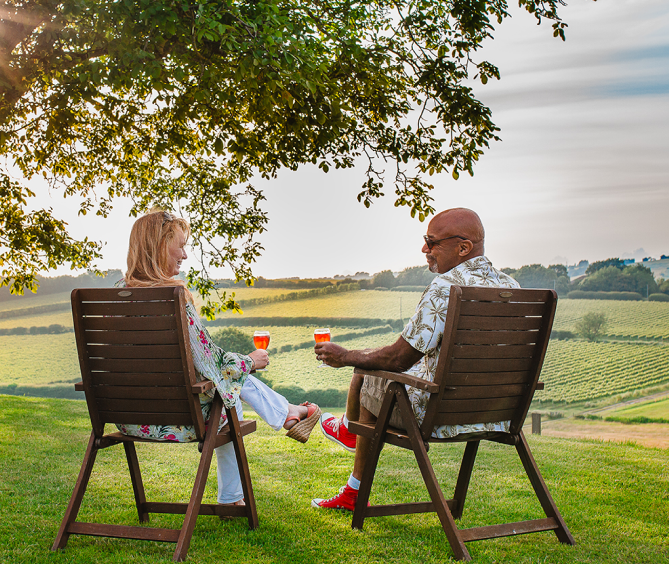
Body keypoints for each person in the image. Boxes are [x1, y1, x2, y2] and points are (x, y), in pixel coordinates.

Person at [311, 207, 519, 510]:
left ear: (463, 248)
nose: (425, 249)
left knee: (369, 370)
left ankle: (350, 434)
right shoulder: (511, 287)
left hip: (440, 415)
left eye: (432, 242)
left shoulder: (446, 287)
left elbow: (398, 359)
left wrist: (344, 356)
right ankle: (348, 436)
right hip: (497, 411)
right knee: (370, 361)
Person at [119, 209, 321, 510]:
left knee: (229, 390)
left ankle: (234, 493)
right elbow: (211, 363)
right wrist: (250, 361)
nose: (185, 255)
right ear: (160, 246)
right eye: (181, 245)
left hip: (129, 418)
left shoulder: (113, 298)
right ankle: (285, 414)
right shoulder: (172, 297)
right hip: (179, 420)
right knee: (228, 392)